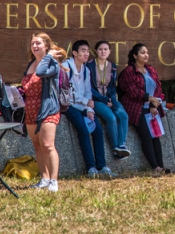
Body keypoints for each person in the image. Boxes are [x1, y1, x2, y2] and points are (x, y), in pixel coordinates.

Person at [64, 40, 112, 178]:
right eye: (83, 51)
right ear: (74, 53)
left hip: (83, 105)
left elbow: (87, 90)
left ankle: (102, 166)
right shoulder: (66, 68)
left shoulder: (85, 70)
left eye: (87, 51)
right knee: (83, 131)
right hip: (69, 105)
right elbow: (68, 93)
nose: (86, 54)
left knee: (97, 130)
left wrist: (89, 109)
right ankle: (91, 167)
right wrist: (86, 103)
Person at [117, 44, 168, 175]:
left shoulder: (150, 70)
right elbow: (133, 92)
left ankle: (161, 167)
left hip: (151, 108)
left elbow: (158, 89)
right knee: (146, 135)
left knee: (155, 136)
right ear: (135, 55)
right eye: (142, 53)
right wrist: (150, 99)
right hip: (136, 108)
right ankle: (155, 167)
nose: (146, 55)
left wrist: (153, 105)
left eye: (147, 52)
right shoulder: (128, 72)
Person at [21, 33, 61, 192]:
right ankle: (44, 178)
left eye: (38, 43)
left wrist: (48, 56)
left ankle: (54, 180)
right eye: (32, 44)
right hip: (30, 109)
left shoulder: (52, 63)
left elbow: (42, 72)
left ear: (46, 45)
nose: (35, 46)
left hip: (47, 108)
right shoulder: (30, 64)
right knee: (37, 146)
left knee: (48, 145)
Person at [87, 40, 130, 159]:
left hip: (109, 98)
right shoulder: (89, 65)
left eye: (106, 49)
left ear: (110, 51)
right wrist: (104, 99)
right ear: (96, 51)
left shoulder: (112, 66)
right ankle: (115, 148)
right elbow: (89, 87)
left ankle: (122, 145)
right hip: (96, 99)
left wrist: (111, 99)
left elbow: (112, 86)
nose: (103, 51)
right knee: (111, 118)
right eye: (100, 49)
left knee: (123, 115)